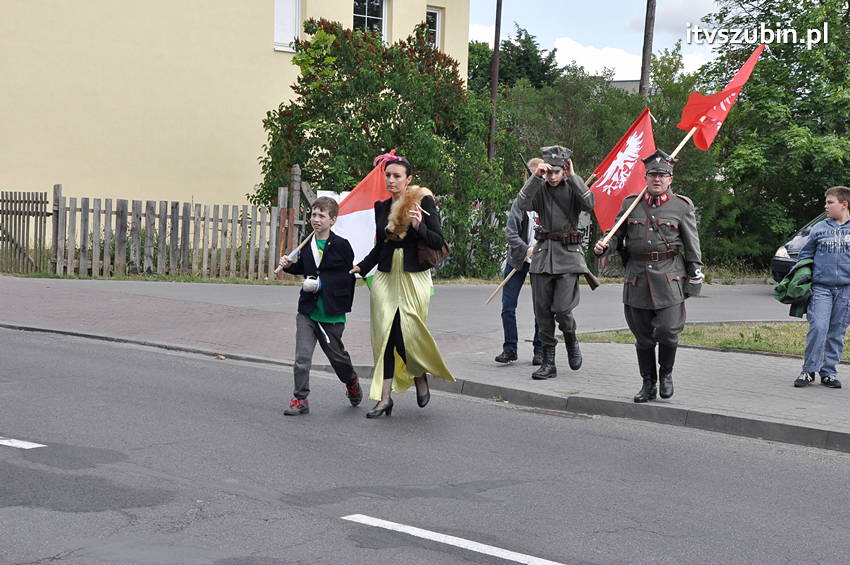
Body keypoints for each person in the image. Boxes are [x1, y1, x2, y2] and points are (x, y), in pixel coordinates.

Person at [593, 150, 703, 402]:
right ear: (646, 177)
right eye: (653, 174)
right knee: (642, 337)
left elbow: (691, 245)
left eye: (662, 175)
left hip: (669, 278)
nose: (657, 179)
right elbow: (616, 235)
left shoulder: (681, 206)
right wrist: (604, 246)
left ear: (670, 179)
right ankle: (648, 383)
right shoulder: (631, 203)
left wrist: (695, 278)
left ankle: (666, 374)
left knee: (667, 331)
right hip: (637, 279)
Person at [350, 155, 454, 418]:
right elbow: (380, 247)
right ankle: (384, 399)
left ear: (409, 180)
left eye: (397, 176)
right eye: (388, 175)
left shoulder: (422, 201)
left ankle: (419, 374)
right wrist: (361, 266)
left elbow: (436, 241)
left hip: (413, 277)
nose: (391, 180)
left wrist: (418, 225)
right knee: (386, 334)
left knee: (406, 331)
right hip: (386, 276)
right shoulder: (382, 207)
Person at [517, 145, 594, 380]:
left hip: (568, 256)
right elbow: (522, 204)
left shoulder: (572, 188)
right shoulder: (539, 189)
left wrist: (574, 177)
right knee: (542, 313)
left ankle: (570, 338)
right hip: (542, 256)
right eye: (549, 172)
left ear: (564, 169)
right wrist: (534, 178)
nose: (552, 177)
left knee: (561, 309)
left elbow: (590, 204)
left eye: (556, 172)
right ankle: (549, 362)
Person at [278, 196, 361, 415]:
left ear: (332, 220)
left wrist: (321, 284)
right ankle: (300, 399)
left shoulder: (342, 246)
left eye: (321, 216)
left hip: (331, 312)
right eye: (314, 215)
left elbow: (347, 278)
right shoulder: (308, 242)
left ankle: (351, 381)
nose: (316, 219)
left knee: (337, 358)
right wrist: (289, 266)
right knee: (302, 359)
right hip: (307, 312)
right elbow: (303, 268)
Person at [793, 186, 850, 389]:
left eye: (830, 202)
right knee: (818, 327)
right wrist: (802, 276)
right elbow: (805, 255)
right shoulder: (819, 228)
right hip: (821, 289)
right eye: (826, 202)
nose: (825, 206)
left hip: (846, 290)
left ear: (844, 204)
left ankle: (828, 373)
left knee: (837, 332)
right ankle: (808, 371)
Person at [495, 157, 544, 366]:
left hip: (542, 262)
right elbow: (510, 234)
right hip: (518, 260)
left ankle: (540, 350)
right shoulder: (520, 202)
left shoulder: (550, 202)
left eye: (539, 175)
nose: (535, 179)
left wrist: (539, 250)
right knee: (508, 306)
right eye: (531, 175)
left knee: (541, 308)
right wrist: (526, 249)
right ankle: (510, 348)